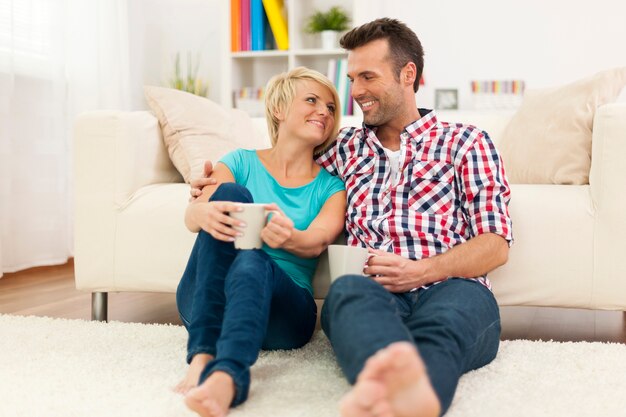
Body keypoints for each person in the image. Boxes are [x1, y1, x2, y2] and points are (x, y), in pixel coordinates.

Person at [192, 18, 512, 417]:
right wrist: (211, 185)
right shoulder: (343, 148)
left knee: (444, 326)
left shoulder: (466, 142)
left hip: (452, 286)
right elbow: (281, 163)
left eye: (367, 77)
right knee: (345, 298)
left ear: (407, 74)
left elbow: (495, 244)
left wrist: (422, 271)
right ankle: (386, 386)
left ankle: (414, 399)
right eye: (352, 79)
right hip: (371, 288)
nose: (354, 92)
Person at [176, 66, 346, 417]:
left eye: (330, 108)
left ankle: (227, 376)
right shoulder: (238, 162)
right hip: (209, 300)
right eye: (312, 100)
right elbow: (194, 212)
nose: (324, 112)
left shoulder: (332, 186)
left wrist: (289, 236)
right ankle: (204, 353)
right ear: (279, 109)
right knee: (231, 193)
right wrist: (200, 214)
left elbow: (316, 242)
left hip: (284, 313)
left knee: (254, 260)